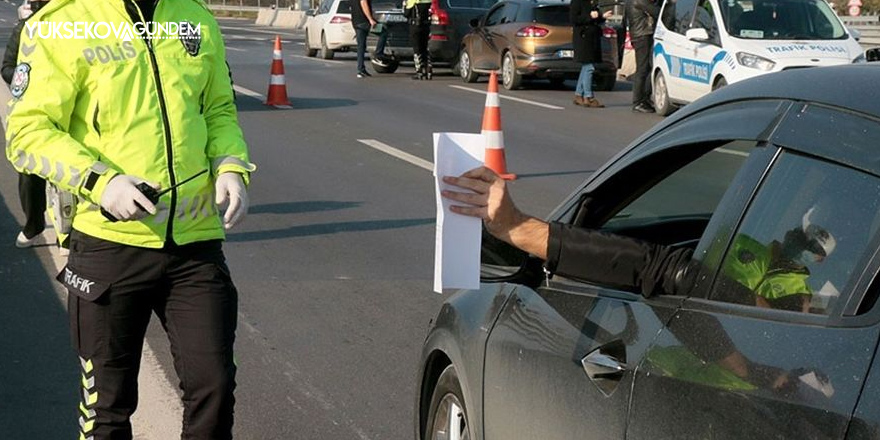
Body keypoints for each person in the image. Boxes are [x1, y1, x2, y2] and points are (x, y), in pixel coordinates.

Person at [5, 1, 255, 439]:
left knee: (214, 389)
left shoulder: (194, 16)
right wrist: (102, 182)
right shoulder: (62, 22)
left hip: (194, 245)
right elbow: (29, 132)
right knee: (107, 409)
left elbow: (217, 108)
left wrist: (231, 164)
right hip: (106, 243)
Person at [441, 167, 833, 311]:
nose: (806, 241)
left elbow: (666, 271)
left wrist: (521, 230)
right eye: (806, 231)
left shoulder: (805, 297)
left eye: (817, 244)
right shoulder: (745, 239)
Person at [2, 0, 50, 248]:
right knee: (29, 172)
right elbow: (8, 67)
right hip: (37, 110)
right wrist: (27, 79)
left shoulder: (81, 25)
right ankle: (34, 225)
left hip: (76, 110)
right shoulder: (25, 27)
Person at [624, 0, 662, 113]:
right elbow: (657, 12)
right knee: (642, 69)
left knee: (647, 68)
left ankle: (644, 98)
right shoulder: (639, 1)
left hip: (641, 35)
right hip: (642, 36)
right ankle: (638, 101)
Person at [571, 0, 607, 108]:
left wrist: (602, 16)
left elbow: (595, 18)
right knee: (589, 67)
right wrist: (589, 16)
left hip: (592, 38)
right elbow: (574, 19)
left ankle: (578, 94)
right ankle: (588, 96)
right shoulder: (577, 2)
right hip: (583, 38)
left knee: (586, 67)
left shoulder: (593, 3)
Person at [352, 0, 389, 78]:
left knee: (361, 46)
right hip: (364, 22)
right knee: (383, 32)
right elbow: (363, 2)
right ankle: (378, 54)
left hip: (356, 22)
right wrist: (370, 19)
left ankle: (361, 70)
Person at [405, 0, 432, 80]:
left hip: (415, 26)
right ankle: (429, 71)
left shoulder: (412, 1)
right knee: (425, 48)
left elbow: (406, 13)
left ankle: (419, 72)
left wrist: (405, 5)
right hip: (426, 26)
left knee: (417, 49)